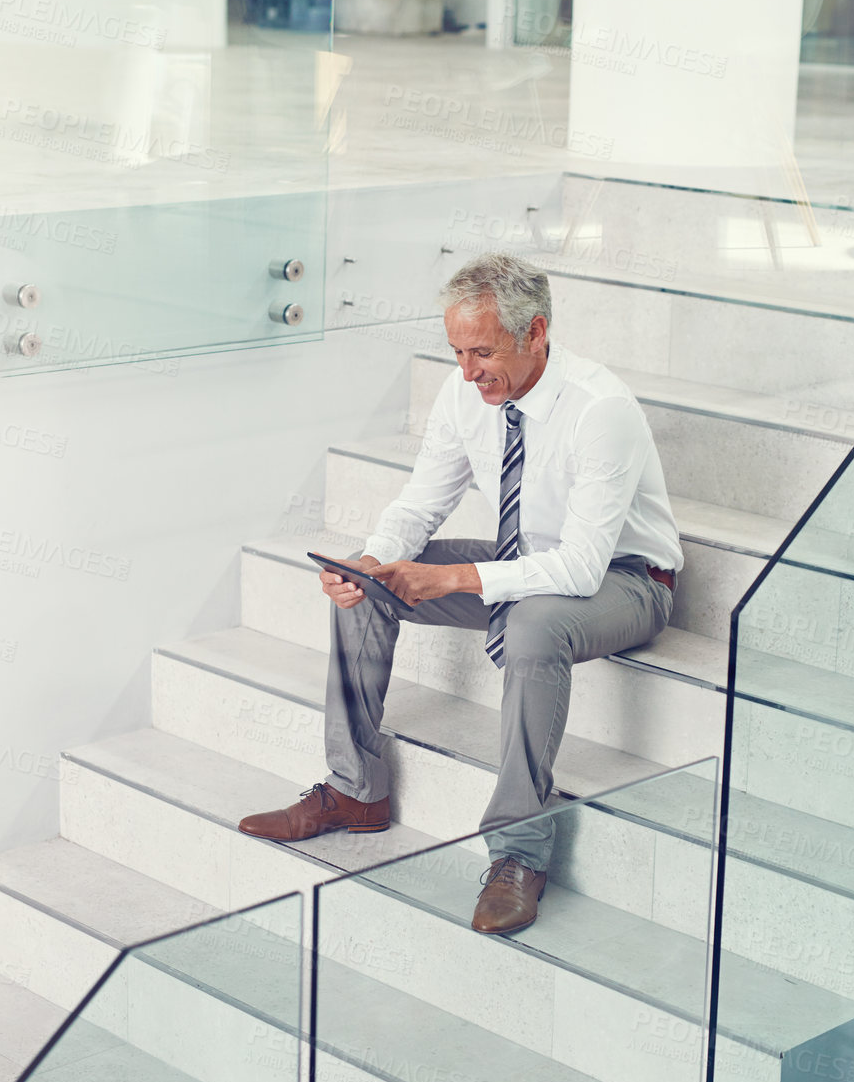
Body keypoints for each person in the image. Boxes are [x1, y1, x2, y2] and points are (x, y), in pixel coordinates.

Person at [238, 252, 682, 935]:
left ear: (534, 332)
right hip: (524, 562)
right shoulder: (463, 393)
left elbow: (581, 568)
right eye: (456, 351)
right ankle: (355, 789)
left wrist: (455, 577)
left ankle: (518, 848)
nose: (467, 370)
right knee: (371, 583)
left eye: (481, 351)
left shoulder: (600, 410)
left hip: (626, 581)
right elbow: (421, 501)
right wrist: (375, 560)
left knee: (535, 626)